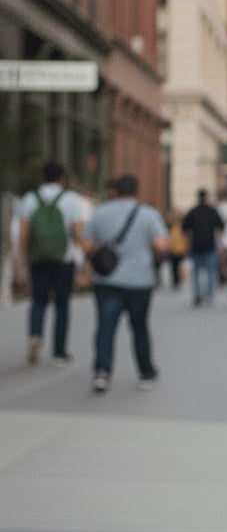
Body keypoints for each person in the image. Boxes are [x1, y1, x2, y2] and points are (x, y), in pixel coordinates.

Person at [82, 174, 168, 393]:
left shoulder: (100, 212)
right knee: (139, 327)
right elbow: (160, 246)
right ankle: (145, 372)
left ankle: (102, 372)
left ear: (115, 190)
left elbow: (86, 244)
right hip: (139, 281)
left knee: (105, 327)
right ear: (136, 191)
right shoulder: (148, 214)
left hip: (107, 280)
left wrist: (103, 254)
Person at [16, 160, 86, 365]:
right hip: (64, 258)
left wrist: (23, 257)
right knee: (62, 305)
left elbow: (23, 234)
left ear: (42, 178)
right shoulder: (71, 199)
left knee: (38, 300)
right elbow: (78, 232)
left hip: (38, 258)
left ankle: (35, 335)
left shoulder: (29, 199)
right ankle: (59, 351)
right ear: (62, 178)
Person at [182, 188, 224, 306]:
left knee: (196, 273)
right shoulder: (212, 211)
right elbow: (220, 228)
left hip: (196, 246)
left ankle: (197, 295)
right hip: (210, 245)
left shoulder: (193, 211)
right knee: (211, 272)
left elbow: (185, 229)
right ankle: (209, 295)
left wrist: (187, 243)